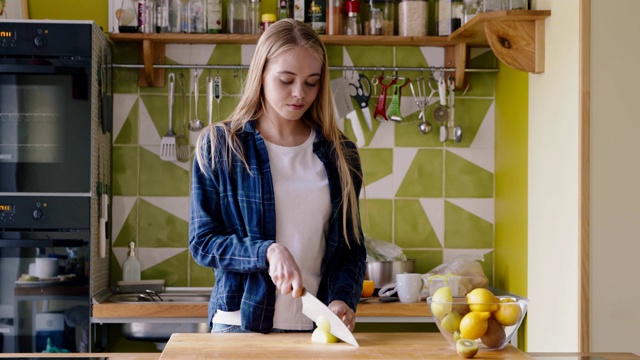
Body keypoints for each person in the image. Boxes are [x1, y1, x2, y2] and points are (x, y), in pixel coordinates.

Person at [189, 18, 367, 335]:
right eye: (286, 80)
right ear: (261, 74)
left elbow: (350, 249)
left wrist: (342, 298)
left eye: (311, 82)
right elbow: (203, 243)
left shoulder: (340, 154)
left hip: (314, 328)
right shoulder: (221, 146)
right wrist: (267, 251)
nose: (300, 93)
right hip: (238, 328)